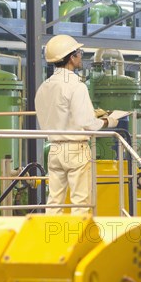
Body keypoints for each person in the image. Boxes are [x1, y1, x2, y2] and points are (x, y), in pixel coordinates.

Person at [35, 35, 118, 215]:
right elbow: (88, 124)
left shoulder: (44, 87)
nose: (81, 56)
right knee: (80, 202)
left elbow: (52, 116)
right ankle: (78, 241)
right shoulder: (76, 86)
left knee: (54, 201)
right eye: (79, 52)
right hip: (76, 149)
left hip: (54, 148)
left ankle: (51, 240)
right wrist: (108, 121)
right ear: (71, 57)